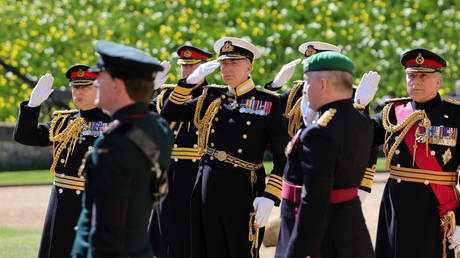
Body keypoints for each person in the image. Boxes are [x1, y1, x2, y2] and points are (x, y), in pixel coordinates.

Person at [161, 36, 289, 258]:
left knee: (240, 249)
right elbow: (169, 114)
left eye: (234, 63)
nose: (227, 68)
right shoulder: (211, 96)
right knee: (206, 248)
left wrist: (271, 195)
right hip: (207, 182)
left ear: (249, 66)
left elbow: (282, 155)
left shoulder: (268, 102)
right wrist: (187, 84)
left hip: (243, 186)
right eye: (224, 63)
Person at [272, 42, 380, 257]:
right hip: (350, 231)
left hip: (323, 237)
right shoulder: (362, 121)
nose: (304, 89)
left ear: (323, 84)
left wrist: (296, 252)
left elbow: (314, 202)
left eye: (307, 82)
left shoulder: (319, 132)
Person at [71, 40, 174, 258]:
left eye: (101, 76)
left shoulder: (113, 144)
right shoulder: (158, 128)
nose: (96, 83)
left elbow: (107, 232)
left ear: (117, 84)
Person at [13, 65, 110, 258]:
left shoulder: (114, 122)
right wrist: (33, 105)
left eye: (85, 87)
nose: (78, 92)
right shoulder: (63, 122)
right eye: (75, 87)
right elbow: (25, 136)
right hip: (61, 205)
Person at [373, 49, 460, 258]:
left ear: (438, 82)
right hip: (398, 207)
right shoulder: (391, 113)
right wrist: (356, 106)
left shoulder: (456, 116)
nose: (415, 82)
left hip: (437, 209)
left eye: (423, 76)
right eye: (411, 76)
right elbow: (357, 137)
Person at [148, 45, 213, 258]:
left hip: (196, 172)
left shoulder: (213, 96)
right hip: (168, 171)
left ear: (204, 67)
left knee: (192, 233)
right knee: (166, 230)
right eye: (183, 66)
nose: (186, 70)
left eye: (192, 66)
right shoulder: (166, 95)